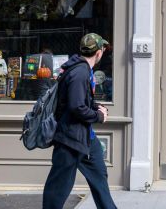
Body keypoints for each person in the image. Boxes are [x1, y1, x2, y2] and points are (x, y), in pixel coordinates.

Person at [42, 33, 117, 209]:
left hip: (85, 138)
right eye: (103, 49)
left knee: (99, 175)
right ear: (98, 52)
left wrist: (96, 106)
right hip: (70, 139)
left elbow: (79, 101)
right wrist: (98, 116)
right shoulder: (79, 72)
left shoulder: (82, 69)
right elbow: (76, 107)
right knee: (59, 185)